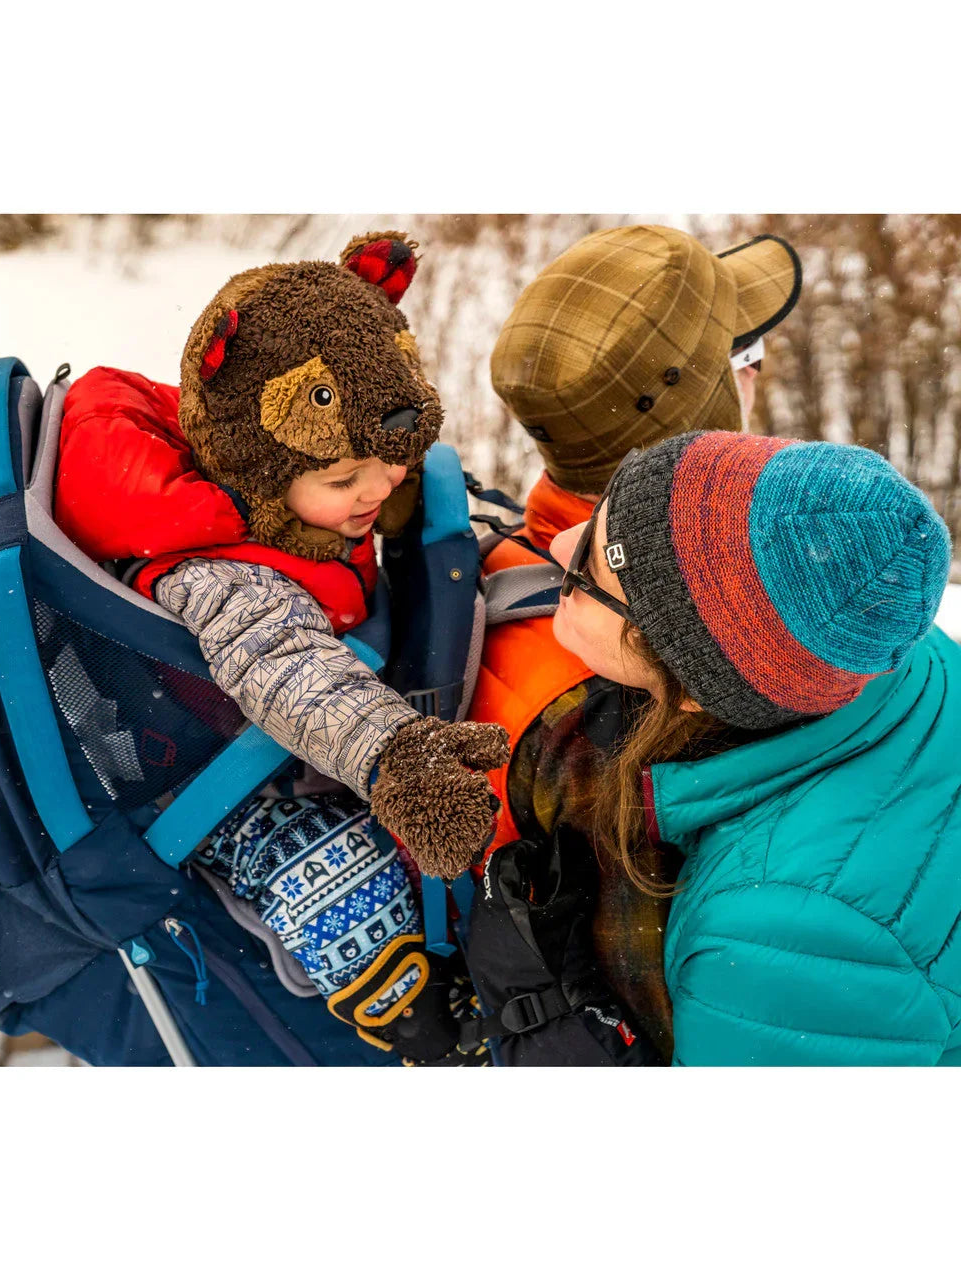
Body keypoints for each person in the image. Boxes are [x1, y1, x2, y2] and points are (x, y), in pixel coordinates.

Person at [52, 233, 507, 1063]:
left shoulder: (292, 506)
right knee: (341, 875)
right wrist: (390, 753)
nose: (375, 488)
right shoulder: (219, 569)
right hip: (213, 782)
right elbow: (286, 668)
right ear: (257, 471)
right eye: (344, 480)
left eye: (389, 464)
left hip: (270, 750)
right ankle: (416, 1016)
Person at [469, 222, 803, 1056]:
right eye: (745, 353)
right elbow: (695, 1009)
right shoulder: (649, 691)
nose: (762, 372)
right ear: (711, 404)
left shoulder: (513, 562)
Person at [538, 429, 958, 1065]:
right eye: (595, 515)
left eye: (588, 574)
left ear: (693, 691)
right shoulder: (874, 646)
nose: (556, 544)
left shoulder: (778, 940)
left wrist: (545, 1044)